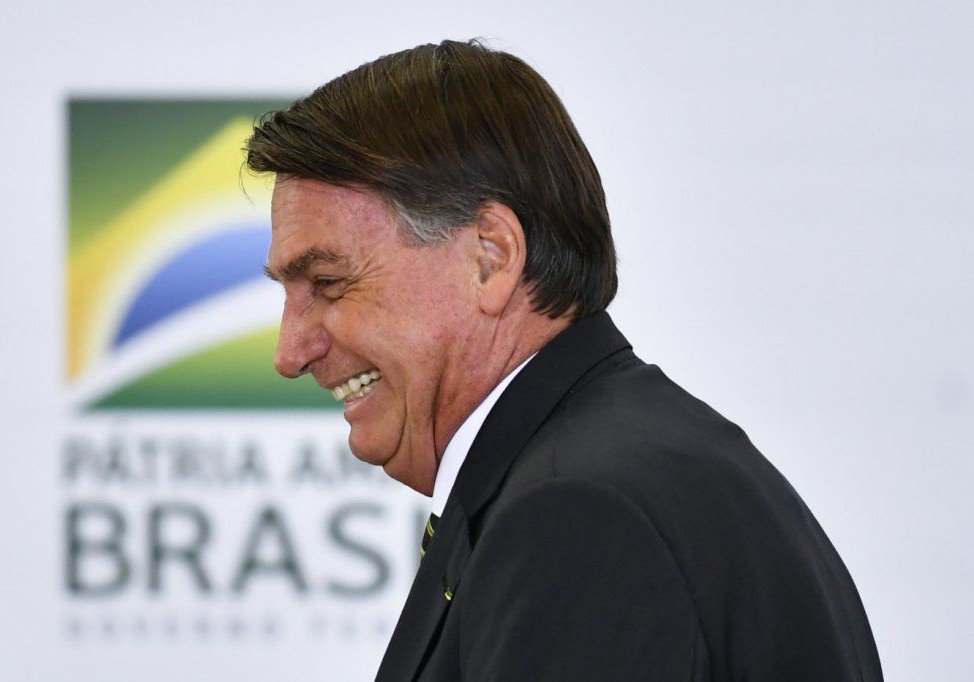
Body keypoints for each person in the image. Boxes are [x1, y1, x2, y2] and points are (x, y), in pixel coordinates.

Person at [246, 39, 882, 682]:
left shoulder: (578, 514)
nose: (290, 353)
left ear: (491, 258)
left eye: (328, 283)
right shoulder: (614, 464)